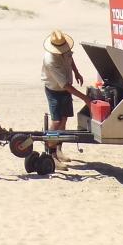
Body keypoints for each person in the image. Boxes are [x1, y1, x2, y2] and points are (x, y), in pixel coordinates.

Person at [42, 29, 88, 159]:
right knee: (56, 121)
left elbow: (70, 59)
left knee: (64, 119)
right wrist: (85, 98)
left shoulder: (65, 49)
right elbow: (65, 85)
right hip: (54, 90)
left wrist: (76, 72)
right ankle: (51, 154)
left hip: (65, 89)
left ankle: (58, 149)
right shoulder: (50, 60)